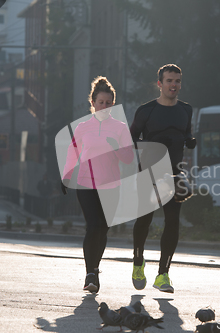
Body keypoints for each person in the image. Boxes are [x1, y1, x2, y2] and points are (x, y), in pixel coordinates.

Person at [60, 76, 133, 293]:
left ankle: (95, 268)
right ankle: (90, 274)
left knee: (102, 229)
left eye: (108, 103)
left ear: (113, 104)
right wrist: (66, 175)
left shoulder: (120, 128)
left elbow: (128, 158)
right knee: (93, 226)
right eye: (101, 102)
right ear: (92, 103)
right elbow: (72, 152)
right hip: (86, 184)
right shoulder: (83, 127)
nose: (104, 106)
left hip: (111, 186)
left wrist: (116, 147)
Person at [130, 64, 196, 293]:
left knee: (172, 222)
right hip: (147, 173)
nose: (173, 85)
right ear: (159, 84)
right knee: (144, 222)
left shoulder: (186, 110)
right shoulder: (146, 110)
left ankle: (163, 275)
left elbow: (185, 133)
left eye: (177, 81)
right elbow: (131, 140)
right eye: (169, 81)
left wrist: (189, 140)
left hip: (173, 174)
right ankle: (138, 262)